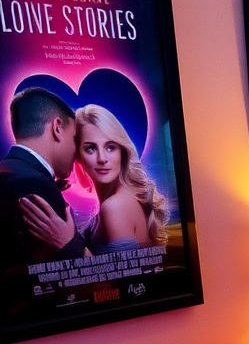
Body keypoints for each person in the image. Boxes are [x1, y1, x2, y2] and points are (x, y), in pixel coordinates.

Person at [23, 103, 170, 253]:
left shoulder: (115, 206)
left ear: (122, 151)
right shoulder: (126, 196)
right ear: (78, 155)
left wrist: (67, 243)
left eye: (110, 147)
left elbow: (123, 274)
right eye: (91, 148)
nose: (102, 159)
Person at [0, 87, 86, 270]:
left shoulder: (7, 171)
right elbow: (72, 277)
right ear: (57, 128)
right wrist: (70, 245)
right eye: (74, 139)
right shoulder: (38, 187)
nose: (76, 151)